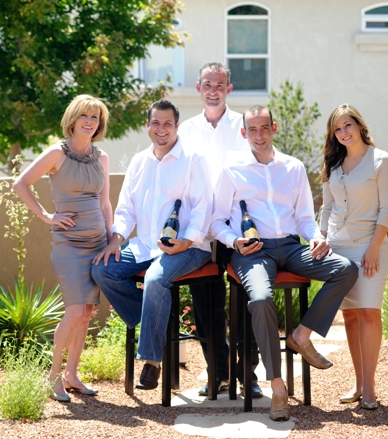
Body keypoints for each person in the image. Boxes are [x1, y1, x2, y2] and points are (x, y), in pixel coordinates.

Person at [210, 105, 359, 421]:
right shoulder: (231, 171)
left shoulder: (293, 168)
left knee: (345, 269)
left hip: (292, 247)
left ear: (274, 128)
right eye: (253, 129)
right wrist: (233, 241)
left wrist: (316, 236)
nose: (259, 135)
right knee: (261, 299)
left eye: (264, 128)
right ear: (244, 133)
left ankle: (301, 336)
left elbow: (305, 217)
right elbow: (217, 221)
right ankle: (277, 388)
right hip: (253, 253)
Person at [91, 99, 213, 391]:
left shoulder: (194, 158)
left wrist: (185, 241)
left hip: (189, 248)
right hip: (145, 245)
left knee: (157, 279)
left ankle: (152, 361)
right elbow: (126, 210)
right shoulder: (138, 162)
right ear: (148, 125)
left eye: (167, 123)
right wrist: (116, 240)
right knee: (102, 269)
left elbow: (203, 208)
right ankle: (156, 326)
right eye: (156, 123)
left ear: (177, 126)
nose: (161, 129)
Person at [13, 94, 113, 402]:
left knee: (86, 312)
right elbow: (21, 183)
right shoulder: (57, 153)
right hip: (68, 245)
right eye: (85, 115)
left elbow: (105, 202)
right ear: (73, 118)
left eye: (95, 117)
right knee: (74, 310)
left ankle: (72, 375)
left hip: (97, 243)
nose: (90, 121)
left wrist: (112, 239)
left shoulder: (102, 158)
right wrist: (47, 216)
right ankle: (53, 377)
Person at [178, 62, 261, 398]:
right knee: (205, 306)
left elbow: (254, 172)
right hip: (199, 233)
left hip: (234, 228)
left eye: (220, 84)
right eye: (207, 84)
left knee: (245, 302)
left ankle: (249, 376)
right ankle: (219, 373)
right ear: (199, 88)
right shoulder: (185, 130)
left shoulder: (243, 126)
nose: (213, 89)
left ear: (229, 89)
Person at [320, 104, 388, 410]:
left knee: (368, 312)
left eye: (347, 125)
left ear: (360, 126)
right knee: (350, 315)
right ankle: (358, 382)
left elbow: (387, 209)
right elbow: (326, 208)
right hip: (338, 249)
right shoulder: (333, 165)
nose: (343, 133)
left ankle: (370, 387)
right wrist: (321, 238)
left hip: (370, 247)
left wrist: (374, 248)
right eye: (337, 129)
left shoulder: (381, 161)